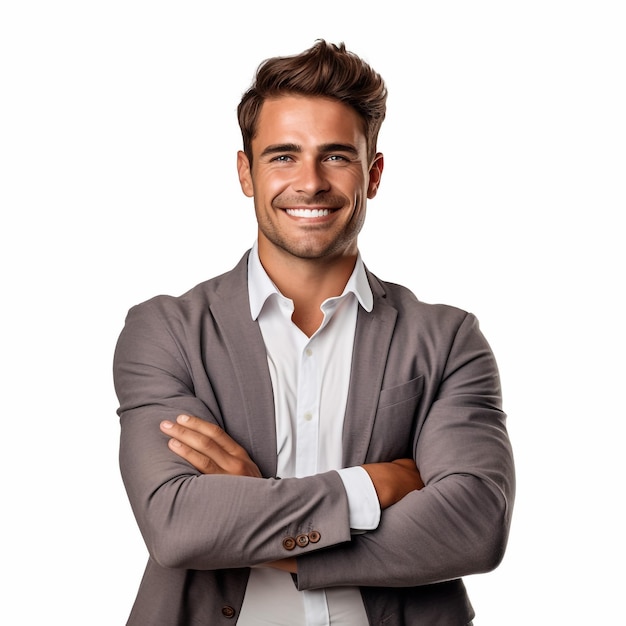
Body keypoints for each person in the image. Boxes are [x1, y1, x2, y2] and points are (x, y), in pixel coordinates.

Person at [113, 40, 515, 625]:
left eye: (336, 156)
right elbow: (177, 525)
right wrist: (370, 488)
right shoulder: (166, 331)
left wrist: (256, 507)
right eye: (282, 156)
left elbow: (474, 526)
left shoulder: (448, 338)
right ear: (245, 173)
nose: (310, 183)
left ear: (372, 174)